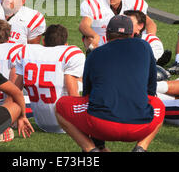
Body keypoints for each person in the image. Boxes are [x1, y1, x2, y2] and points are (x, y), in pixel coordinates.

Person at [56, 15, 165, 152]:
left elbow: (88, 95)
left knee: (60, 106)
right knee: (159, 105)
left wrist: (99, 143)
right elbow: (151, 90)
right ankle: (141, 148)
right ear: (132, 34)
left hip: (100, 124)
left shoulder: (95, 54)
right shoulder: (144, 47)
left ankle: (91, 149)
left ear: (106, 35)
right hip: (139, 125)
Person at [12, 24, 85, 133]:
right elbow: (73, 94)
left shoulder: (26, 51)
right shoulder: (71, 53)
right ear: (65, 44)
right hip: (65, 123)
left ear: (44, 42)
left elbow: (15, 90)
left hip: (41, 121)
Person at [79, 0, 157, 52]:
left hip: (130, 38)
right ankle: (94, 60)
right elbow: (83, 26)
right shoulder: (94, 3)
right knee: (88, 37)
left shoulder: (134, 2)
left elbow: (150, 24)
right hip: (103, 39)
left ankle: (153, 57)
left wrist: (150, 41)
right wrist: (95, 36)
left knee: (145, 36)